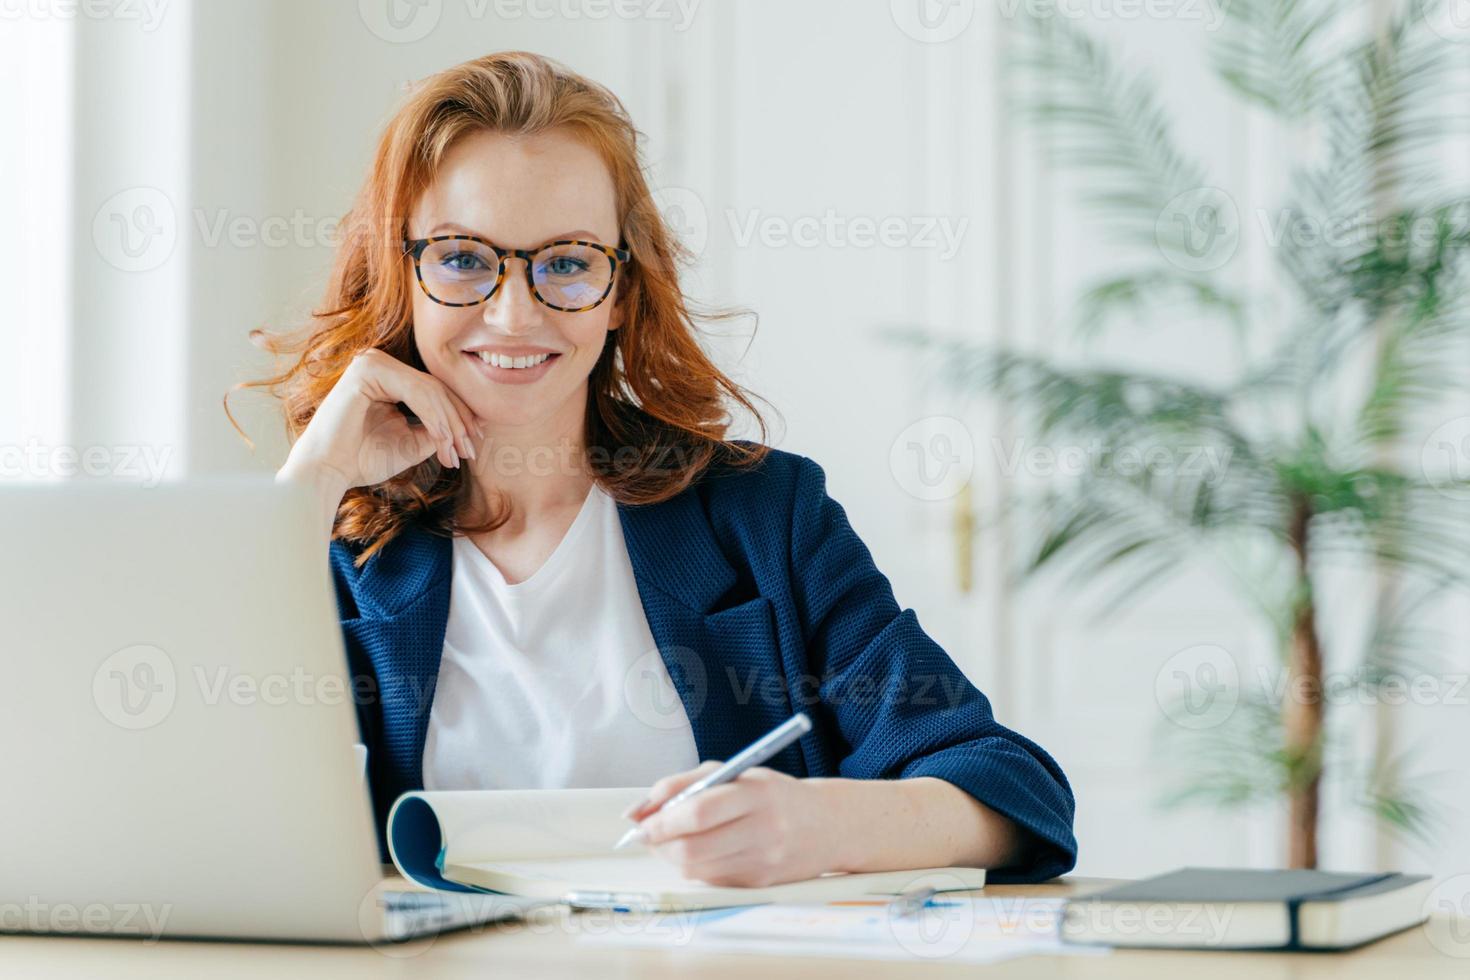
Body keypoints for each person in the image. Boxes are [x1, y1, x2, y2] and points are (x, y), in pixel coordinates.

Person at [230, 50, 1076, 888]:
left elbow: (1012, 794)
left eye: (565, 262)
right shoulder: (336, 538)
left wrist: (819, 825)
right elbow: (204, 803)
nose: (514, 313)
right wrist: (316, 479)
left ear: (622, 293)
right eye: (461, 257)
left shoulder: (764, 516)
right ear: (400, 274)